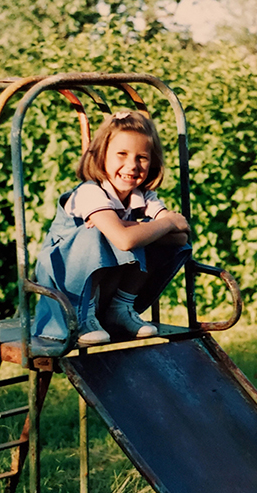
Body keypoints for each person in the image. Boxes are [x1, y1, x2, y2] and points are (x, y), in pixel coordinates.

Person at [32, 110, 191, 345]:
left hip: (103, 285)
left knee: (145, 233)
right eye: (122, 154)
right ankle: (81, 316)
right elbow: (126, 240)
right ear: (101, 156)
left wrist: (136, 227)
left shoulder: (144, 196)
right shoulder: (90, 192)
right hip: (64, 284)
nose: (132, 165)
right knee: (113, 233)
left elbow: (181, 238)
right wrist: (164, 223)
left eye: (142, 158)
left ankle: (120, 307)